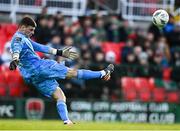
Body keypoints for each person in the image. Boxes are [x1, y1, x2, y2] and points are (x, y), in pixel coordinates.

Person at [9, 16, 114, 125]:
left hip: (32, 76)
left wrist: (60, 52)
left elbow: (40, 47)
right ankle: (103, 73)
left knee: (59, 95)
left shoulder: (24, 39)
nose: (32, 32)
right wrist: (15, 59)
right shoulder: (18, 38)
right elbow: (16, 49)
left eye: (34, 30)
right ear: (22, 27)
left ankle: (67, 121)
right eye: (30, 29)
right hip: (40, 67)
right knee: (72, 73)